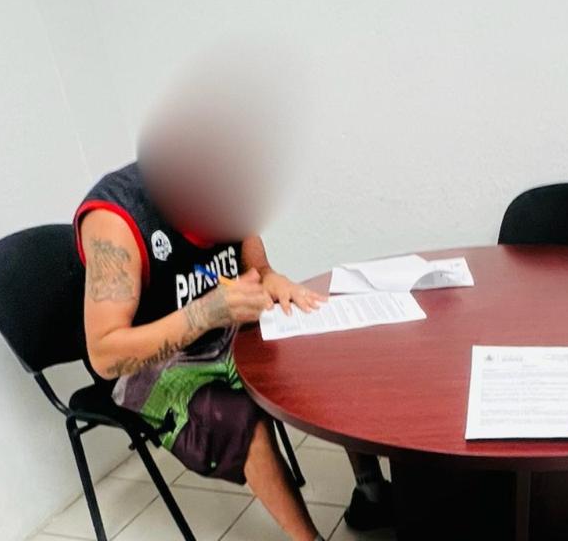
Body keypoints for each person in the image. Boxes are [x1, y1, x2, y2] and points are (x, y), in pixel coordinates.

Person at [75, 46, 392, 541]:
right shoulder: (115, 221)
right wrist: (204, 314)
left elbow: (254, 261)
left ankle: (372, 493)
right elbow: (105, 356)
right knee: (246, 422)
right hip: (153, 362)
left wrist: (270, 278)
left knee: (331, 357)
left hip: (224, 328)